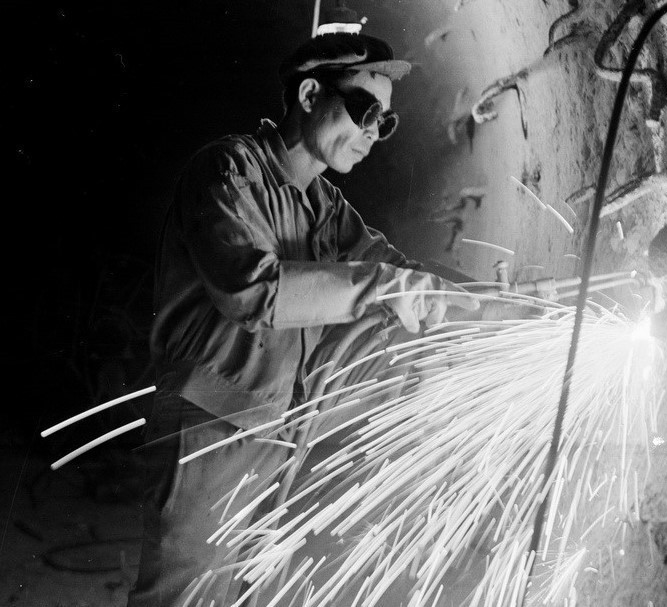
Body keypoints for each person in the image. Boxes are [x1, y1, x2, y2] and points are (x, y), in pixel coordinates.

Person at [127, 32, 478, 607]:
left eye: (385, 122)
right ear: (310, 95)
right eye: (365, 110)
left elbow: (394, 266)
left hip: (281, 428)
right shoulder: (228, 170)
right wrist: (385, 286)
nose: (374, 133)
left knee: (254, 594)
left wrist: (493, 300)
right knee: (187, 597)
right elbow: (254, 291)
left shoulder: (325, 206)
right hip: (210, 424)